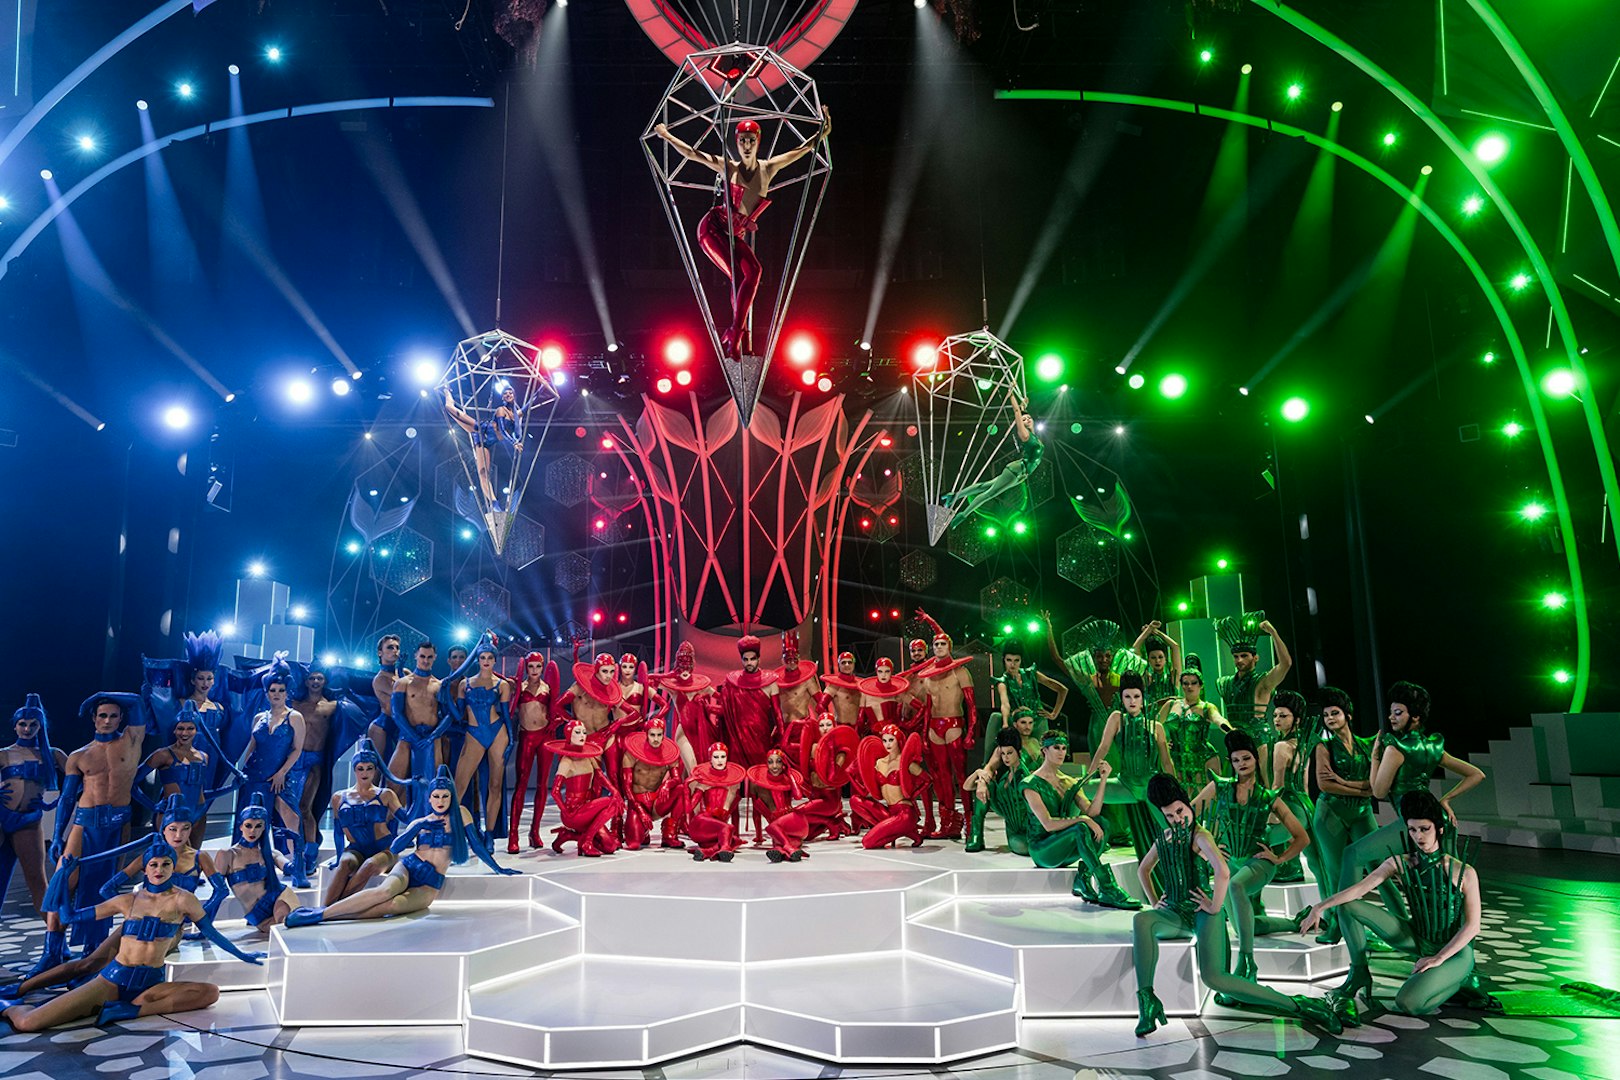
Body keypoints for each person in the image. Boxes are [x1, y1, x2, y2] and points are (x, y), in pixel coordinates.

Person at [1131, 774, 1342, 1039]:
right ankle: (1147, 1001)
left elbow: (1222, 872)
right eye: (1170, 816)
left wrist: (1214, 905)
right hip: (1173, 911)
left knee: (1215, 979)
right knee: (1141, 921)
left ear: (1187, 805)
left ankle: (1300, 1004)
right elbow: (1143, 870)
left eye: (1180, 811)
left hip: (1202, 912)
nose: (1177, 819)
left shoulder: (1201, 836)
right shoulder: (1167, 836)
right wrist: (1154, 901)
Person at [2, 841, 262, 1030]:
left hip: (151, 985)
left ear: (173, 868)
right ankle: (8, 1005)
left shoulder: (185, 901)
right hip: (112, 981)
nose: (159, 869)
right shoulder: (128, 900)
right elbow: (69, 917)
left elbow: (212, 934)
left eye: (166, 864)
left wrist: (243, 955)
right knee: (28, 1023)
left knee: (210, 993)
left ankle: (133, 1010)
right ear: (145, 870)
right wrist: (63, 876)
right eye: (154, 865)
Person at [653, 108, 833, 358]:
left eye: (751, 140)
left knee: (755, 272)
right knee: (739, 275)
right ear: (736, 143)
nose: (746, 145)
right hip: (712, 228)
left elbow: (800, 151)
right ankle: (736, 334)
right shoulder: (729, 167)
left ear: (758, 142)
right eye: (742, 141)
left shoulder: (768, 169)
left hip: (733, 236)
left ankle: (734, 332)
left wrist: (821, 134)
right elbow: (693, 154)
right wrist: (666, 135)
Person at [1302, 790, 1483, 1022]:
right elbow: (1359, 889)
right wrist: (1319, 906)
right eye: (1413, 830)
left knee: (1408, 1003)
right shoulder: (1401, 862)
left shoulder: (1463, 872)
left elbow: (1472, 925)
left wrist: (1439, 958)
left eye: (1425, 829)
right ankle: (1358, 971)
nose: (1419, 836)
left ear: (1438, 829)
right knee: (1347, 906)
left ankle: (1460, 980)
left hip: (1454, 953)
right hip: (1416, 937)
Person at [285, 766, 518, 927]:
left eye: (445, 796)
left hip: (430, 883)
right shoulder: (421, 821)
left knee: (391, 905)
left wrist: (498, 868)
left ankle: (329, 916)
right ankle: (321, 914)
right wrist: (420, 826)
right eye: (436, 796)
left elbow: (476, 846)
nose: (440, 801)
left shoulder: (461, 815)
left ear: (451, 797)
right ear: (429, 798)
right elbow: (396, 848)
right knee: (384, 891)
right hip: (409, 867)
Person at [1341, 682, 1485, 911]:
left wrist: (1375, 756)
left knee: (1351, 855)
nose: (1391, 718)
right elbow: (1476, 774)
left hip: (1411, 821)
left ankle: (1340, 923)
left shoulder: (1396, 748)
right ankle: (1448, 935)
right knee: (1447, 885)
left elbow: (1378, 791)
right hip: (1437, 820)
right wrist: (1445, 800)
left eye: (1398, 713)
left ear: (1415, 717)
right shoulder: (1433, 746)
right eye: (1391, 712)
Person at [1191, 731, 1309, 992]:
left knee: (1235, 886)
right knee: (1244, 924)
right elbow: (1188, 816)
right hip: (1231, 861)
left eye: (1246, 758)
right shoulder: (1219, 787)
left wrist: (1278, 858)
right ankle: (1295, 922)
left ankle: (1247, 963)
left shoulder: (1269, 797)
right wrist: (1206, 849)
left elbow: (1302, 837)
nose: (1241, 764)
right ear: (1230, 763)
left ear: (1255, 760)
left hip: (1259, 863)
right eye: (1235, 760)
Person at [39, 693, 147, 967]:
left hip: (117, 825)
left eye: (113, 715)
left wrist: (102, 695)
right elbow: (66, 798)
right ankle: (52, 953)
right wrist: (58, 837)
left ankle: (92, 953)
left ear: (121, 718)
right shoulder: (79, 755)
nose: (108, 720)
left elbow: (136, 702)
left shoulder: (131, 741)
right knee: (62, 884)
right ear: (94, 719)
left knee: (104, 888)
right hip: (84, 824)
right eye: (102, 715)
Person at [1021, 731, 1138, 908]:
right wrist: (1082, 819)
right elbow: (1048, 824)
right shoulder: (1030, 783)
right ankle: (1107, 887)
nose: (1061, 752)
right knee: (1081, 827)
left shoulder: (1068, 781)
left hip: (1065, 846)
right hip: (1043, 850)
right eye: (1056, 748)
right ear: (1044, 750)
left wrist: (1104, 779)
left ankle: (1083, 878)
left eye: (1063, 748)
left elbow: (1092, 812)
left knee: (1103, 824)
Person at [1310, 686, 1375, 944]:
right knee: (1336, 873)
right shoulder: (1323, 746)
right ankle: (1338, 925)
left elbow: (1375, 785)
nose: (1330, 719)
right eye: (1326, 715)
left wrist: (1346, 783)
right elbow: (1325, 785)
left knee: (1377, 867)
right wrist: (1361, 787)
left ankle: (1397, 922)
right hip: (1330, 814)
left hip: (1362, 812)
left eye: (1335, 713)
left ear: (1348, 715)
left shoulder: (1367, 745)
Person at [1087, 673, 1173, 863]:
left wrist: (1174, 789)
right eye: (1127, 696)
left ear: (1143, 698)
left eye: (1136, 696)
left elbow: (1167, 763)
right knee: (1081, 791)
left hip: (1151, 788)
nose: (1132, 701)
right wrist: (1088, 776)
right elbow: (1103, 748)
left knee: (1174, 829)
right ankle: (1080, 842)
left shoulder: (1156, 727)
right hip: (1125, 785)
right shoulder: (1117, 718)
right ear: (1121, 698)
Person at [911, 608, 977, 840]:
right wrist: (924, 732)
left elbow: (971, 706)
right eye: (936, 645)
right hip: (934, 727)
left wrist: (971, 731)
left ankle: (970, 821)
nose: (939, 647)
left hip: (954, 723)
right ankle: (949, 821)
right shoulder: (927, 676)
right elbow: (928, 708)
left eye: (942, 644)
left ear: (949, 647)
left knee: (960, 774)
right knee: (941, 775)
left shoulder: (960, 672)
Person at [236, 673, 308, 886]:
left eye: (281, 690)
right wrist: (242, 771)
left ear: (287, 693)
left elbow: (297, 749)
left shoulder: (294, 717)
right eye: (272, 690)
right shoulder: (259, 718)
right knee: (251, 822)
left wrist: (282, 772)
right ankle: (248, 866)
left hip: (279, 776)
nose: (276, 694)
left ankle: (298, 867)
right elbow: (252, 745)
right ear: (267, 693)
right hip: (253, 774)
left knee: (292, 819)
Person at [0, 695, 65, 919]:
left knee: (37, 882)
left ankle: (54, 940)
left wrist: (58, 801)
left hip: (28, 822)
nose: (27, 728)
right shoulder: (4, 753)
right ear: (15, 725)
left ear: (40, 726)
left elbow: (86, 778)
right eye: (22, 724)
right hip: (2, 818)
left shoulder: (53, 754)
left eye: (33, 724)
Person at [1044, 614, 1144, 754]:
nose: (1103, 659)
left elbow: (1138, 659)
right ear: (1094, 658)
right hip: (1097, 727)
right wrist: (1049, 627)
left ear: (1112, 657)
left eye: (1107, 656)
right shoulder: (1087, 680)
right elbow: (1057, 659)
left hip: (1120, 725)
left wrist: (1147, 632)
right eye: (1099, 656)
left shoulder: (1121, 678)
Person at [446, 638, 513, 841]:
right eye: (482, 657)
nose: (486, 661)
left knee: (494, 785)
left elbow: (507, 716)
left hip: (497, 732)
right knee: (459, 786)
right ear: (477, 660)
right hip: (473, 734)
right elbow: (458, 716)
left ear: (494, 661)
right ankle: (452, 831)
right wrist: (447, 695)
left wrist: (510, 740)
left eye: (490, 658)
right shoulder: (465, 684)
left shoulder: (502, 685)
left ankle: (490, 834)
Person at [1213, 615, 1292, 785]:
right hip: (1234, 738)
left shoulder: (1263, 682)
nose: (1239, 660)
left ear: (1255, 658)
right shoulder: (1225, 683)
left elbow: (1286, 663)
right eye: (1236, 656)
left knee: (1266, 783)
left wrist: (1273, 633)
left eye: (1244, 656)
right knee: (1236, 785)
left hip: (1258, 740)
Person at [323, 739, 402, 905]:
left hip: (384, 849)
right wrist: (338, 857)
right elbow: (338, 831)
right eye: (360, 769)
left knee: (370, 864)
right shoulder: (339, 797)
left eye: (369, 768)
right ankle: (323, 909)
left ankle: (334, 910)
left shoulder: (386, 794)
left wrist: (420, 793)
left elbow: (406, 818)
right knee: (344, 864)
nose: (365, 772)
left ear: (374, 770)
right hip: (356, 849)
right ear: (354, 770)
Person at [940, 391, 1043, 517]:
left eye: (1029, 418)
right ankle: (963, 514)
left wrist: (1023, 406)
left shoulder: (1034, 436)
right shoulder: (1025, 435)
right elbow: (1017, 412)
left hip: (1022, 474)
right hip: (1017, 469)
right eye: (1024, 420)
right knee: (990, 493)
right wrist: (1010, 394)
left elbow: (1020, 412)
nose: (1028, 420)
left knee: (984, 486)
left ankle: (954, 496)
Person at [388, 642, 456, 818]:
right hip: (407, 736)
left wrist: (434, 735)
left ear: (434, 658)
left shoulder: (439, 685)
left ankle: (431, 827)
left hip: (432, 739)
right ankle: (389, 830)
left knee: (435, 784)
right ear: (416, 656)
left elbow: (449, 715)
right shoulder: (403, 683)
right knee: (394, 781)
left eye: (429, 657)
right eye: (423, 656)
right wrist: (413, 735)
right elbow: (396, 713)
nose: (425, 660)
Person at [213, 797, 301, 932]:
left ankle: (327, 915)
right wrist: (204, 926)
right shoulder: (227, 855)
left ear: (264, 827)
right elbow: (218, 892)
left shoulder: (271, 853)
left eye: (258, 826)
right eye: (248, 825)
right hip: (257, 915)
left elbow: (294, 870)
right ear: (241, 826)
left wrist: (297, 843)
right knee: (282, 927)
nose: (252, 831)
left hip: (280, 897)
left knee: (286, 924)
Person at [1267, 690, 1324, 887]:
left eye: (1283, 716)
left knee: (1253, 844)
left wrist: (1273, 815)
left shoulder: (1281, 746)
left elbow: (1278, 785)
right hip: (1306, 806)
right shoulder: (1303, 744)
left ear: (1297, 720)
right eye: (1275, 715)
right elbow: (1306, 783)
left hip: (1289, 806)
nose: (1277, 719)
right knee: (1319, 865)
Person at [288, 668, 337, 878]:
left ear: (325, 681)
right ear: (306, 682)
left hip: (315, 761)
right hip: (294, 760)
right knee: (290, 810)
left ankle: (310, 852)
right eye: (312, 678)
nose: (316, 681)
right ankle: (295, 853)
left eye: (319, 678)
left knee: (304, 807)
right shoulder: (295, 705)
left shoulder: (332, 706)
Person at [547, 720, 622, 857]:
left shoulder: (588, 757)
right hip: (573, 813)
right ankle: (586, 841)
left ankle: (569, 835)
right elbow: (555, 791)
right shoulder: (566, 761)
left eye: (584, 732)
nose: (582, 735)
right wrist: (565, 811)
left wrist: (614, 790)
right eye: (577, 732)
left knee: (609, 846)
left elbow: (600, 776)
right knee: (612, 802)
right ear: (569, 735)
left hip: (588, 810)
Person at [509, 651, 558, 853]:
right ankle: (513, 834)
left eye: (538, 666)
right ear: (526, 667)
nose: (535, 670)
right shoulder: (519, 686)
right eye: (531, 666)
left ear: (543, 666)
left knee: (542, 785)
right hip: (527, 736)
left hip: (545, 737)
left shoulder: (549, 687)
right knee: (521, 784)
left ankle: (534, 831)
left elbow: (556, 707)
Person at [647, 642, 722, 773]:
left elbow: (722, 698)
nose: (685, 667)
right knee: (693, 770)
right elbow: (647, 680)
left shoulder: (701, 685)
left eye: (688, 662)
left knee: (703, 770)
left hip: (702, 732)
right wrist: (670, 675)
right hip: (684, 732)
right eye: (681, 662)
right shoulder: (673, 687)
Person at [983, 640, 1066, 757]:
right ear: (1004, 660)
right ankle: (988, 767)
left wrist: (1054, 714)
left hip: (1036, 719)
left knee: (1043, 754)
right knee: (996, 718)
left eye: (1016, 660)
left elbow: (1062, 690)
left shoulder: (1031, 674)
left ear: (1021, 660)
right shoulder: (1003, 682)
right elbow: (1005, 704)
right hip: (1016, 722)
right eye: (1009, 660)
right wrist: (1006, 724)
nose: (1013, 664)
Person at [619, 710, 687, 851]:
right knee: (634, 844)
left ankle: (669, 834)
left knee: (681, 789)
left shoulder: (670, 755)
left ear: (663, 735)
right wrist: (640, 810)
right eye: (652, 735)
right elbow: (627, 786)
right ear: (646, 735)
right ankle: (642, 830)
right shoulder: (632, 754)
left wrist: (667, 784)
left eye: (659, 735)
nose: (656, 739)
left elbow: (676, 779)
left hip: (657, 802)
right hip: (638, 803)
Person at [1158, 661, 1229, 789]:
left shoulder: (1207, 707)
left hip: (1202, 757)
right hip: (1176, 757)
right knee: (1179, 798)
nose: (1189, 686)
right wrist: (1163, 741)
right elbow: (1155, 726)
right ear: (1181, 685)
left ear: (1200, 685)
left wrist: (1232, 732)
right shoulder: (1171, 705)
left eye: (1193, 683)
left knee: (1206, 799)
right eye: (1185, 683)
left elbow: (1219, 720)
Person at [855, 725, 927, 850]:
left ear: (898, 740)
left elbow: (927, 779)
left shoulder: (905, 762)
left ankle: (905, 829)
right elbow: (873, 789)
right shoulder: (879, 763)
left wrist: (912, 795)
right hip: (889, 811)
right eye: (884, 740)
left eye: (891, 740)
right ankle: (909, 832)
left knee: (867, 842)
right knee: (855, 800)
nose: (887, 744)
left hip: (904, 813)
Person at [964, 729, 1034, 855]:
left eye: (1009, 753)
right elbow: (966, 787)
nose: (1006, 757)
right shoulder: (1005, 774)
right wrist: (979, 776)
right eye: (1003, 754)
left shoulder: (1025, 774)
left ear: (1019, 752)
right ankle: (976, 835)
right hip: (1008, 815)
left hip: (1025, 824)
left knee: (1025, 846)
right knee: (986, 785)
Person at [716, 636, 780, 769]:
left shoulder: (770, 682)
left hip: (760, 739)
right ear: (741, 660)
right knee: (736, 777)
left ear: (759, 659)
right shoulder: (732, 682)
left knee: (760, 778)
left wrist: (782, 737)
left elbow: (777, 714)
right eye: (746, 660)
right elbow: (723, 709)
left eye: (752, 659)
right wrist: (704, 705)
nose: (749, 663)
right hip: (737, 740)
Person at [748, 749, 812, 863]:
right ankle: (786, 851)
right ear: (766, 763)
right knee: (778, 838)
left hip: (793, 821)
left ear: (783, 764)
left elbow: (798, 796)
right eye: (770, 762)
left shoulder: (788, 779)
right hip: (778, 828)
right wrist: (758, 836)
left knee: (771, 828)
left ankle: (785, 847)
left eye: (779, 762)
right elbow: (756, 811)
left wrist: (789, 773)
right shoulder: (756, 783)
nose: (775, 766)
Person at [687, 742, 746, 862]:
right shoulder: (703, 780)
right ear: (710, 759)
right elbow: (689, 808)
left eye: (723, 757)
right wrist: (687, 785)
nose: (720, 760)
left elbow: (733, 812)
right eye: (716, 757)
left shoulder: (734, 782)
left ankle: (707, 851)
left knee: (729, 833)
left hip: (718, 829)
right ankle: (725, 847)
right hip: (702, 823)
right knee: (728, 829)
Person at [774, 631, 822, 753]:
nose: (791, 662)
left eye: (794, 659)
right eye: (788, 659)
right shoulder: (776, 681)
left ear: (799, 659)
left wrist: (824, 723)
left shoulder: (807, 680)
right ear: (782, 660)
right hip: (784, 727)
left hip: (802, 726)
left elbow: (821, 702)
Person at [1130, 623, 1181, 717]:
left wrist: (1156, 632)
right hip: (1150, 721)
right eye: (1153, 658)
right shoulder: (1146, 678)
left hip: (1171, 721)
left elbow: (1175, 647)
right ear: (1148, 660)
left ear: (1165, 658)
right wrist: (1148, 630)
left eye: (1160, 657)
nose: (1157, 660)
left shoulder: (1173, 677)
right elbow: (1135, 649)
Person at [819, 651, 862, 729]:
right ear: (839, 665)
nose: (847, 665)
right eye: (843, 663)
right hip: (840, 727)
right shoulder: (834, 686)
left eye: (849, 662)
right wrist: (828, 724)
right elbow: (820, 706)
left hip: (857, 729)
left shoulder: (860, 685)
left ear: (854, 664)